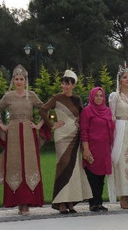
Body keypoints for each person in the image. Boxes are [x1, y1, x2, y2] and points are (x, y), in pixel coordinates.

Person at [0, 65, 46, 215]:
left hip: (29, 133)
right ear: (13, 80)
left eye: (22, 79)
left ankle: (27, 202)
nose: (19, 81)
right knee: (15, 165)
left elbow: (44, 109)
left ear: (25, 80)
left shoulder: (32, 95)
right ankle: (18, 201)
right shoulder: (8, 96)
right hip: (13, 134)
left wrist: (39, 125)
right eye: (17, 79)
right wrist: (3, 126)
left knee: (29, 164)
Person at [39, 69, 92, 214]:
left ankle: (70, 201)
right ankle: (60, 202)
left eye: (67, 83)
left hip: (75, 136)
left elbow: (82, 116)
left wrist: (79, 124)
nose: (64, 86)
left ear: (73, 85)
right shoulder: (56, 98)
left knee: (74, 168)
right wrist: (52, 125)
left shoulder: (77, 99)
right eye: (63, 83)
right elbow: (42, 110)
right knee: (62, 166)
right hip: (62, 136)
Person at [107, 62, 128, 209]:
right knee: (121, 162)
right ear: (120, 80)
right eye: (125, 77)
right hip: (120, 129)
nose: (127, 79)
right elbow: (112, 115)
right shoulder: (115, 96)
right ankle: (122, 196)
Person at [80, 86, 115, 212]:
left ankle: (99, 202)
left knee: (101, 176)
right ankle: (93, 203)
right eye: (96, 95)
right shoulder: (87, 111)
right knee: (92, 176)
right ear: (92, 97)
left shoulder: (107, 111)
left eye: (101, 96)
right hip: (92, 147)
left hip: (104, 148)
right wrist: (86, 149)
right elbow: (84, 131)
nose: (99, 98)